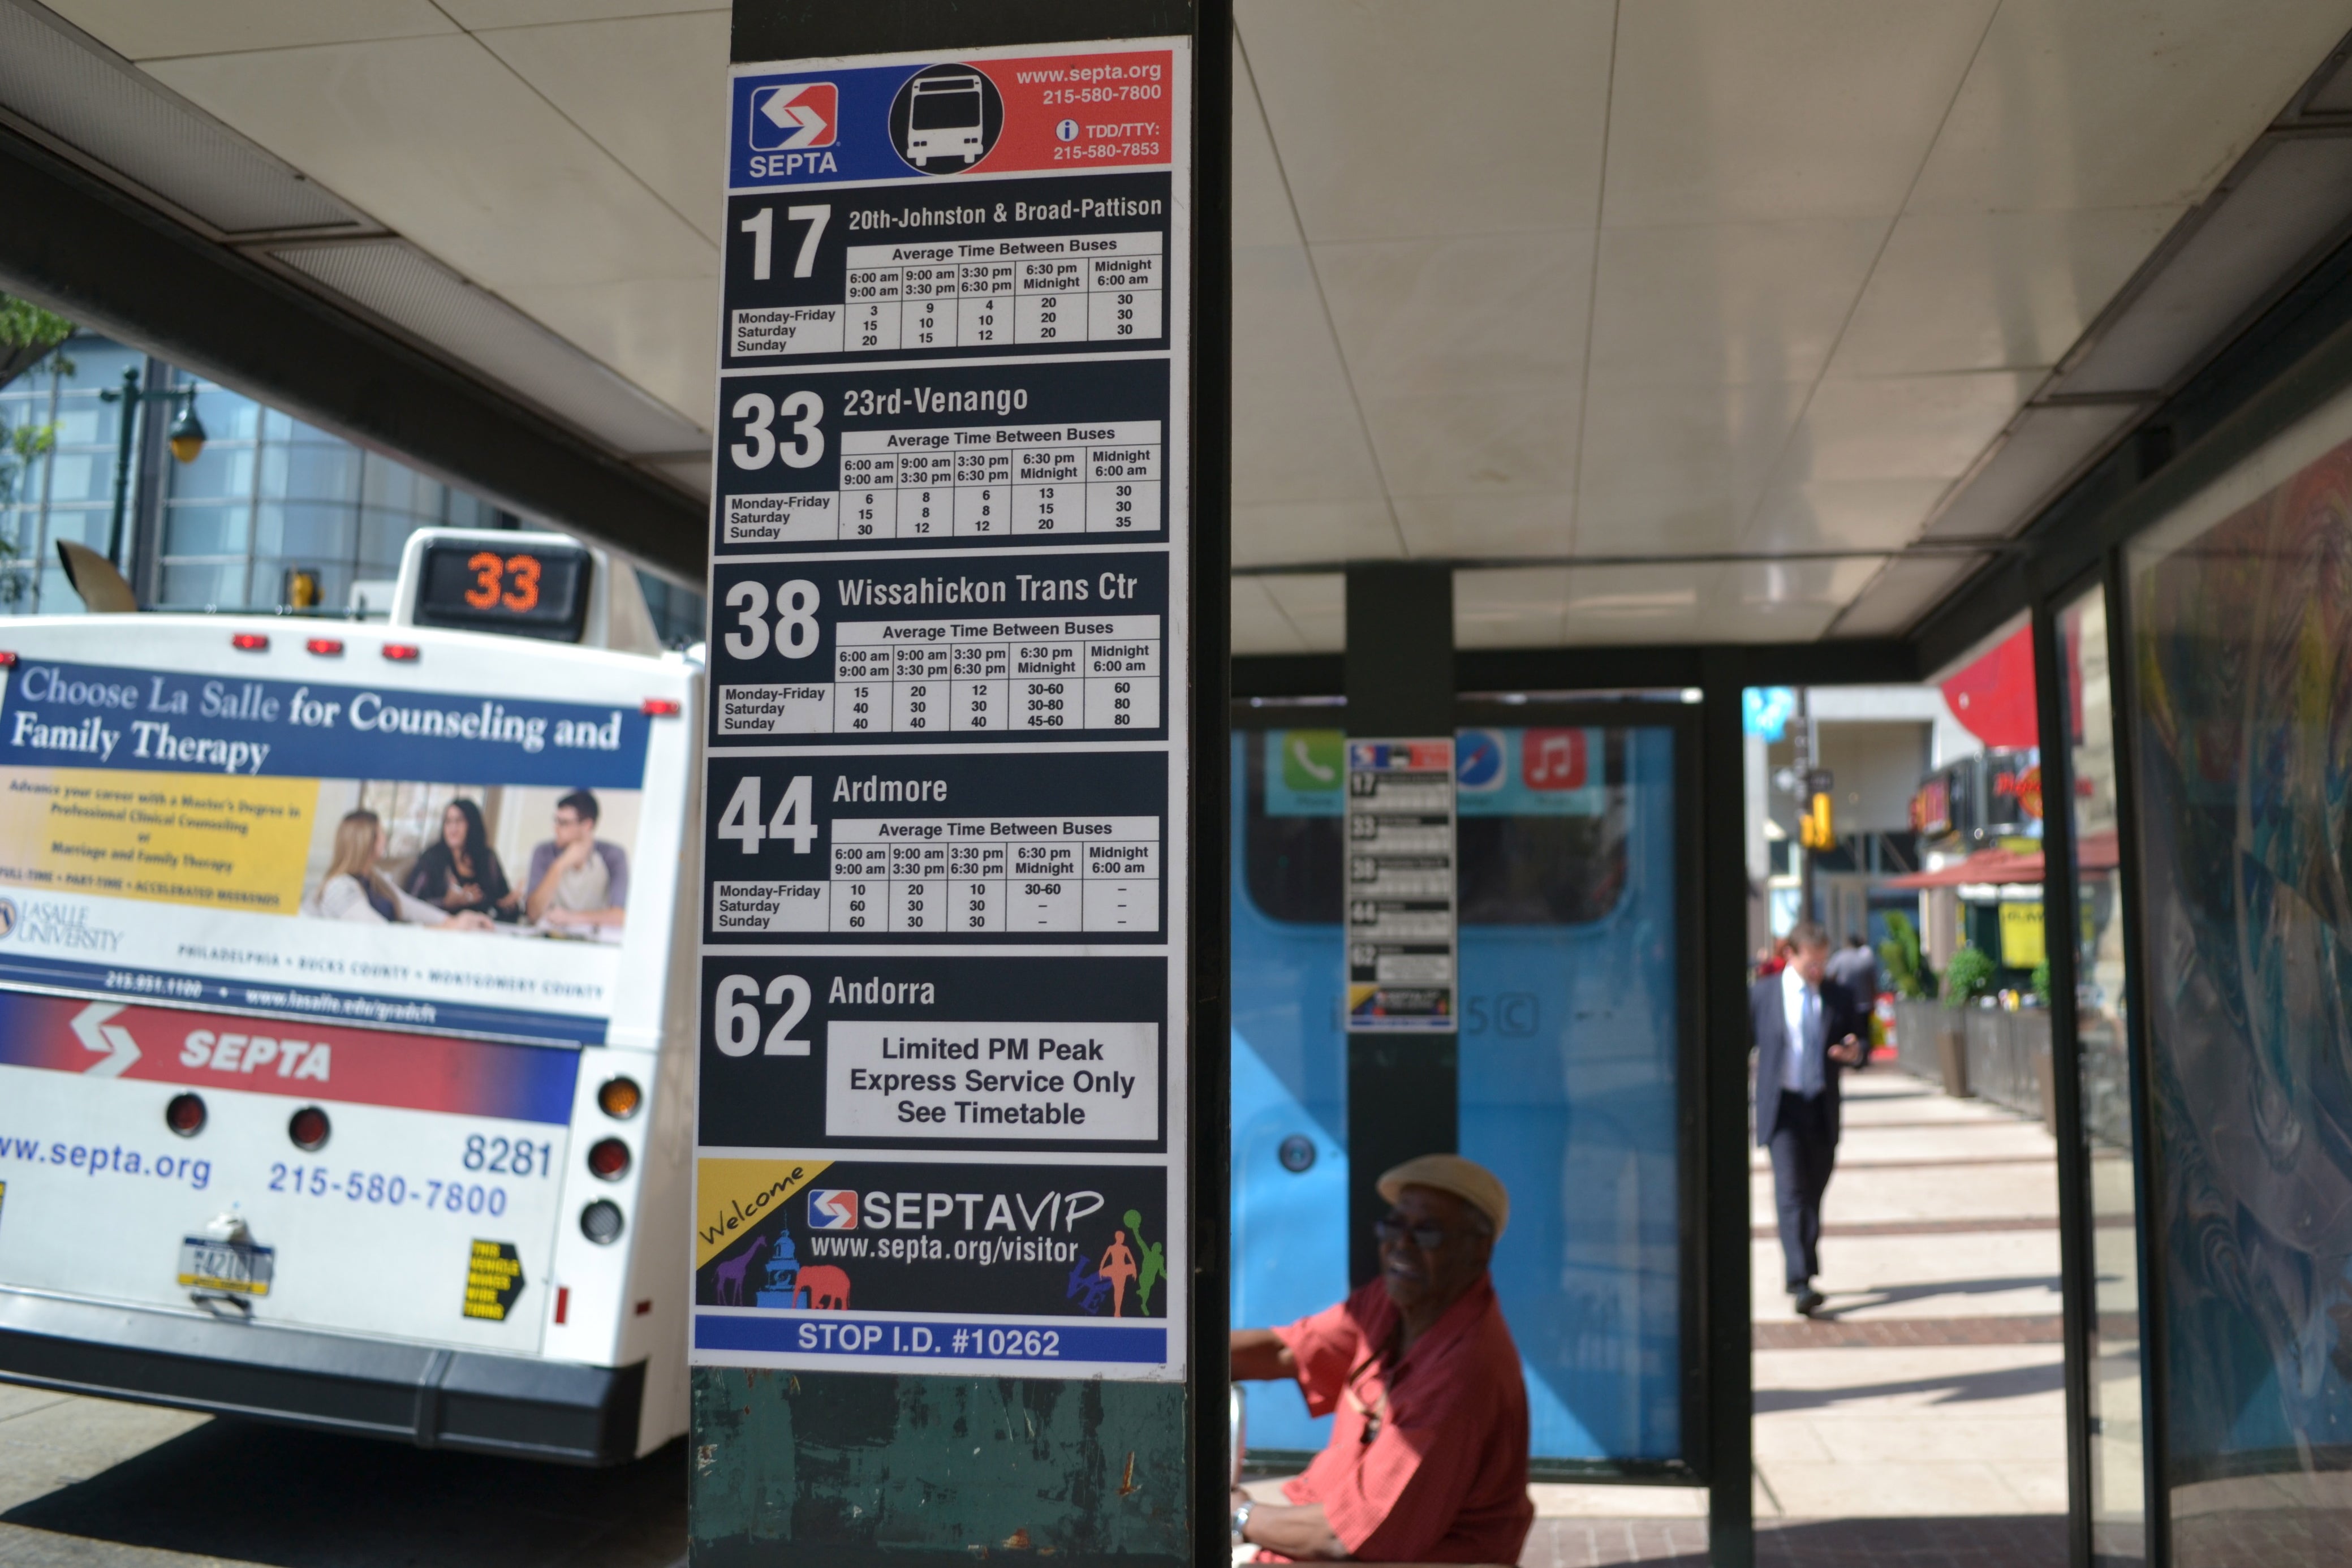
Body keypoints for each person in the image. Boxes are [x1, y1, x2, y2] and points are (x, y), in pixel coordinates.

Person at [1228, 1155, 1531, 1564]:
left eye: (1427, 1232)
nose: (1401, 1244)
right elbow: (1286, 1350)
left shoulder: (1464, 1372)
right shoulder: (1393, 1302)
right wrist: (1158, 1355)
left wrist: (1240, 1516)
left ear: (1476, 1250)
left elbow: (1344, 1537)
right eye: (1394, 1225)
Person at [1752, 920, 1868, 1316]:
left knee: (1814, 1193)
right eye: (1811, 962)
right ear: (1790, 955)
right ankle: (1800, 1280)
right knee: (1791, 1193)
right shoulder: (1763, 996)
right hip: (1782, 1108)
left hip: (1820, 1108)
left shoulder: (1839, 995)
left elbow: (1860, 1043)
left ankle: (1805, 1266)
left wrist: (1854, 1053)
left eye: (1823, 961)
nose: (1818, 970)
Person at [304, 810, 494, 932]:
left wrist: (454, 921)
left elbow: (407, 906)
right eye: (381, 833)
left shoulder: (373, 877)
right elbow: (381, 935)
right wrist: (447, 928)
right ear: (367, 841)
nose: (385, 838)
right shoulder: (339, 888)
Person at [515, 789, 628, 930]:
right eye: (556, 820)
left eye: (564, 823)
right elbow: (533, 913)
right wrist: (560, 865)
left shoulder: (613, 855)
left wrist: (570, 918)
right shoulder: (543, 852)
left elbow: (619, 916)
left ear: (587, 825)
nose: (556, 828)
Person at [404, 798, 511, 917]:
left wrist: (510, 905)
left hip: (483, 929)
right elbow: (411, 904)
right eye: (448, 822)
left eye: (459, 821)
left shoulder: (487, 857)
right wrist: (446, 903)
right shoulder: (431, 858)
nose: (453, 828)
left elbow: (502, 901)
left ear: (472, 824)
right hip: (443, 929)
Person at [1826, 931, 1879, 1000]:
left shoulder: (1840, 957)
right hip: (1865, 1001)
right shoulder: (1866, 958)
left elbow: (1829, 975)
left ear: (1848, 944)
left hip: (1844, 1000)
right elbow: (1873, 980)